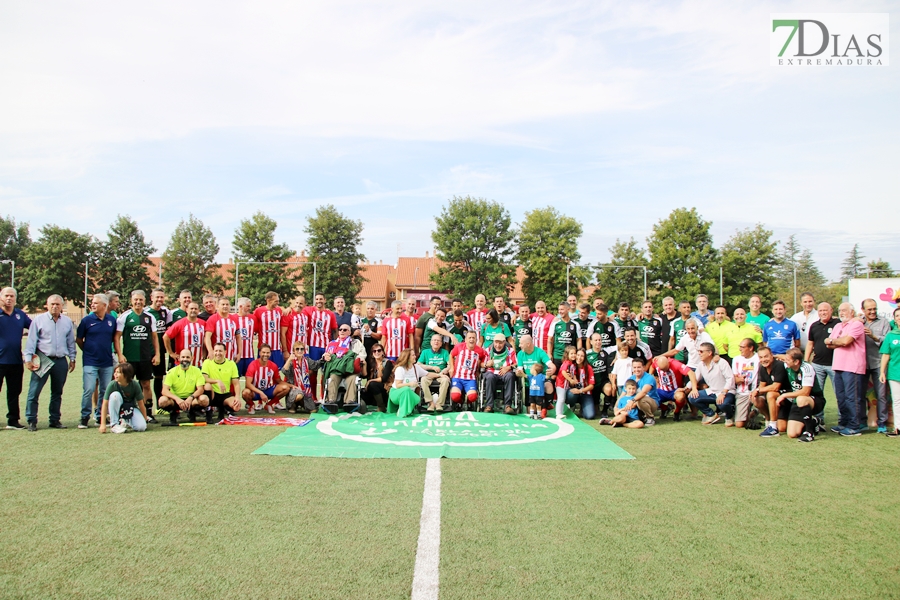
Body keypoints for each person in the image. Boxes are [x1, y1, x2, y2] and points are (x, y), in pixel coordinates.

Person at [23, 295, 76, 431]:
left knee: (57, 392)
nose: (55, 307)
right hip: (43, 359)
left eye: (58, 304)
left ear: (62, 306)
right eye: (52, 304)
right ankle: (31, 420)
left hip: (60, 361)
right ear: (47, 305)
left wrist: (72, 358)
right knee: (34, 391)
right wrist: (28, 359)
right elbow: (31, 341)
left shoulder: (67, 322)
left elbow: (70, 342)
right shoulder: (38, 321)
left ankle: (54, 419)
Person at [114, 290, 160, 414]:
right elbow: (117, 336)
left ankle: (148, 412)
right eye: (136, 300)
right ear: (131, 301)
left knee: (145, 384)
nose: (138, 302)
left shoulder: (149, 317)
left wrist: (157, 354)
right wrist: (120, 354)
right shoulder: (125, 316)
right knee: (126, 383)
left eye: (140, 300)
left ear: (145, 301)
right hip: (129, 358)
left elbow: (155, 337)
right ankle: (125, 410)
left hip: (145, 357)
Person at [826, 302, 867, 436]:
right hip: (838, 365)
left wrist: (833, 341)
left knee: (851, 397)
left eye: (845, 310)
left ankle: (855, 426)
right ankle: (844, 423)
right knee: (841, 397)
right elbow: (828, 344)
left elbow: (845, 341)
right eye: (840, 310)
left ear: (852, 312)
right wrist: (833, 341)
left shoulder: (857, 324)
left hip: (852, 366)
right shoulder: (838, 325)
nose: (842, 312)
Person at [76, 293, 117, 428]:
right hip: (90, 362)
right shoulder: (86, 320)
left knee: (105, 390)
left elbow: (113, 339)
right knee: (88, 389)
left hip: (106, 362)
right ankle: (84, 417)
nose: (92, 305)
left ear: (104, 306)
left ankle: (100, 415)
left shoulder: (111, 320)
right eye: (92, 302)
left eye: (95, 303)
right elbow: (79, 339)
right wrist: (88, 351)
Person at [778, 348, 826, 442]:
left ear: (796, 362)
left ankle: (809, 433)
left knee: (801, 398)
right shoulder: (787, 365)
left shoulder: (807, 368)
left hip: (814, 400)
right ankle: (814, 422)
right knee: (792, 434)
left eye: (787, 360)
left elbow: (805, 392)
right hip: (797, 401)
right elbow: (781, 358)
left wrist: (784, 395)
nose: (785, 361)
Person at [0, 287, 31, 430]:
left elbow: (35, 328)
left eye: (12, 296)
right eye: (6, 295)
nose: (9, 298)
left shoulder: (20, 315)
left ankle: (13, 421)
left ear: (15, 298)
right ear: (1, 297)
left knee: (14, 392)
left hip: (16, 361)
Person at [859, 298, 891, 433]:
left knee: (881, 394)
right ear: (863, 310)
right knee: (859, 394)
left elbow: (887, 341)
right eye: (869, 309)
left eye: (874, 309)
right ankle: (861, 422)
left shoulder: (884, 322)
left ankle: (882, 423)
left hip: (878, 363)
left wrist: (874, 336)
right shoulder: (859, 322)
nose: (872, 312)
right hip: (861, 364)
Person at [688, 343, 736, 426]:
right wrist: (688, 388)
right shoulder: (700, 364)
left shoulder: (722, 362)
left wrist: (723, 393)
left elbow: (730, 379)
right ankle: (711, 414)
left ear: (709, 353)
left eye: (701, 351)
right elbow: (695, 379)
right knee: (692, 397)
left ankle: (729, 416)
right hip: (712, 391)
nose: (699, 353)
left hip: (727, 392)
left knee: (722, 404)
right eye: (698, 351)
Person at [159, 348, 209, 425]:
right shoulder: (172, 372)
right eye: (183, 357)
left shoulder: (197, 371)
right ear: (179, 358)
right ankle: (173, 412)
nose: (185, 359)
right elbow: (164, 390)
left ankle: (192, 411)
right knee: (162, 401)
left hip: (191, 400)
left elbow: (200, 389)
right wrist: (177, 399)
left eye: (187, 357)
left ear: (192, 358)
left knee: (204, 399)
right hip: (175, 401)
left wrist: (190, 398)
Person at [321, 324, 364, 407]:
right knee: (333, 377)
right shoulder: (332, 343)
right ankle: (331, 401)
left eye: (345, 330)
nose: (342, 331)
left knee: (352, 378)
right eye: (340, 329)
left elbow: (362, 354)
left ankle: (350, 402)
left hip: (350, 369)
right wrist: (325, 357)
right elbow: (325, 355)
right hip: (336, 369)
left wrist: (353, 359)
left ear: (349, 332)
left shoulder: (356, 343)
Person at [754, 346, 792, 437]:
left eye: (766, 356)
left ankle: (773, 426)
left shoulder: (779, 365)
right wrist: (755, 392)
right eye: (761, 357)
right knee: (756, 398)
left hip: (790, 397)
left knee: (771, 394)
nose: (763, 359)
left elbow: (776, 387)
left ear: (772, 356)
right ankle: (769, 420)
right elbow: (762, 385)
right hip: (780, 400)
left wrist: (758, 390)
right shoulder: (762, 367)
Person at [242, 344, 291, 414]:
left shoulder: (273, 365)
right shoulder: (252, 365)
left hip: (268, 390)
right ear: (259, 353)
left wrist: (291, 386)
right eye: (263, 352)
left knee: (286, 388)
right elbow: (248, 384)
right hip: (255, 392)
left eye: (267, 353)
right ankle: (251, 405)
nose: (265, 354)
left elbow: (279, 381)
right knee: (245, 393)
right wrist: (260, 393)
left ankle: (269, 404)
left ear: (270, 354)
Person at [805, 302, 839, 402]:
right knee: (817, 392)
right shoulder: (814, 326)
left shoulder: (838, 323)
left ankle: (843, 416)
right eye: (820, 310)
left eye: (825, 310)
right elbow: (810, 344)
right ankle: (818, 417)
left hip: (835, 364)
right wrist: (806, 361)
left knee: (839, 392)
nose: (823, 313)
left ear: (831, 311)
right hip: (817, 364)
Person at [98, 363, 146, 434]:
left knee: (141, 427)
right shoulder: (112, 384)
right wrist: (103, 424)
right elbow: (105, 404)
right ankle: (114, 424)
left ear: (126, 375)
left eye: (118, 372)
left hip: (130, 408)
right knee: (115, 395)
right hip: (117, 407)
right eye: (115, 372)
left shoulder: (135, 385)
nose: (115, 374)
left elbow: (141, 404)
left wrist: (144, 419)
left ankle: (125, 421)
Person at [145, 289, 170, 418]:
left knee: (159, 377)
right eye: (157, 297)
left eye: (161, 297)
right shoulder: (146, 312)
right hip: (147, 352)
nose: (159, 300)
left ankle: (160, 406)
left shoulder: (166, 312)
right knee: (145, 380)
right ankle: (145, 407)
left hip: (160, 351)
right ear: (151, 297)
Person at [201, 342, 241, 423]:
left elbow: (236, 383)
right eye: (216, 351)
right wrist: (217, 381)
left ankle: (223, 409)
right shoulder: (207, 362)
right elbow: (204, 378)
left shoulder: (231, 364)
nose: (218, 353)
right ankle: (209, 412)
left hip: (225, 394)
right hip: (213, 394)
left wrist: (237, 397)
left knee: (236, 407)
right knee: (207, 386)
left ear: (225, 352)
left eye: (220, 351)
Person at [448, 331, 488, 411]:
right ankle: (460, 401)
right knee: (455, 396)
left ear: (476, 340)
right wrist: (452, 368)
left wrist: (480, 366)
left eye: (473, 338)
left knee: (473, 397)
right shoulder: (459, 347)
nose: (471, 340)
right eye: (469, 338)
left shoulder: (480, 350)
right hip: (458, 377)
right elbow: (451, 355)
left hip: (470, 378)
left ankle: (469, 403)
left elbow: (485, 357)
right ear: (465, 339)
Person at [650, 355, 697, 422]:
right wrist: (651, 376)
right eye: (662, 369)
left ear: (668, 363)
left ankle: (676, 412)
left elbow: (691, 373)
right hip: (662, 390)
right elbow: (652, 366)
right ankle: (665, 408)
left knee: (681, 397)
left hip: (675, 390)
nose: (664, 371)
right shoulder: (656, 362)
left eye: (665, 368)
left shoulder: (676, 364)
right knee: (649, 396)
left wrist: (694, 388)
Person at [514, 334, 556, 406]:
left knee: (549, 385)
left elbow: (552, 365)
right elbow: (519, 370)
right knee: (531, 411)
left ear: (528, 344)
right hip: (528, 382)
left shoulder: (540, 352)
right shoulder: (520, 354)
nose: (519, 346)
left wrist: (552, 370)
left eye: (521, 343)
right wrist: (518, 373)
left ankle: (546, 405)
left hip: (540, 380)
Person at [281, 341, 323, 414]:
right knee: (299, 395)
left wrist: (324, 359)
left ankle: (301, 403)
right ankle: (293, 405)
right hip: (294, 388)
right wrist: (289, 359)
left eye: (301, 349)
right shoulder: (291, 361)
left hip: (305, 390)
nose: (299, 351)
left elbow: (316, 365)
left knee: (313, 410)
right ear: (293, 351)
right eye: (297, 349)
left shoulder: (307, 360)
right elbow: (284, 371)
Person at [878, 306, 900, 437]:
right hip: (894, 373)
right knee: (897, 401)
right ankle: (898, 427)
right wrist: (882, 372)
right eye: (897, 316)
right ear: (895, 319)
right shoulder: (891, 335)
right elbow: (886, 354)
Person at [482, 333, 518, 414]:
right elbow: (481, 364)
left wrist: (509, 367)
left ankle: (507, 406)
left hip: (505, 373)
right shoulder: (488, 350)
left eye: (500, 343)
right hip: (492, 372)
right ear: (493, 342)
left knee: (510, 375)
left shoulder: (510, 351)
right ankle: (489, 406)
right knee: (489, 377)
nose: (498, 345)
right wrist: (487, 364)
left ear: (504, 342)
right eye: (496, 342)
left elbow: (516, 363)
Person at [163, 302, 206, 368]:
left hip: (199, 363)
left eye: (195, 309)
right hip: (182, 363)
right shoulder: (180, 323)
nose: (193, 310)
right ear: (187, 310)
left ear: (198, 311)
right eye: (191, 308)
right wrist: (171, 353)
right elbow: (166, 336)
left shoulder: (203, 323)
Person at [731, 338, 760, 428]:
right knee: (739, 424)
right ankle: (750, 414)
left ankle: (757, 411)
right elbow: (733, 378)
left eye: (742, 347)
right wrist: (738, 380)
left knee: (760, 400)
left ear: (751, 348)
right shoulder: (736, 359)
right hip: (742, 392)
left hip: (757, 391)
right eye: (740, 347)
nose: (740, 349)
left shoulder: (759, 358)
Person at [417, 333, 451, 412]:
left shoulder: (445, 352)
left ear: (441, 343)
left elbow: (450, 365)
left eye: (438, 340)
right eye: (434, 340)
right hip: (429, 374)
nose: (436, 342)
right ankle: (431, 403)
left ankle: (439, 404)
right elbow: (418, 364)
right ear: (431, 342)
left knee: (445, 381)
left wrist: (443, 372)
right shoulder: (425, 352)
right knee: (423, 380)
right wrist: (432, 367)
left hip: (441, 375)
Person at [585, 333, 614, 419]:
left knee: (609, 389)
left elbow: (620, 347)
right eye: (596, 340)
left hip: (603, 382)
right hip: (591, 384)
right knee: (592, 413)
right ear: (591, 342)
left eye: (600, 340)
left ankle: (605, 411)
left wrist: (616, 357)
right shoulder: (587, 354)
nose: (598, 342)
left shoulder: (606, 351)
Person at [205, 296, 241, 363]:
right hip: (217, 356)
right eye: (223, 304)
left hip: (231, 357)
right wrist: (210, 351)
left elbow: (238, 337)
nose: (225, 306)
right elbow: (207, 337)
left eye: (227, 304)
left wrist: (239, 353)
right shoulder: (212, 319)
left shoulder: (234, 319)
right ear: (218, 306)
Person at [254, 292, 285, 368]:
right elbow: (255, 328)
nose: (277, 303)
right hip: (263, 349)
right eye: (276, 301)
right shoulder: (258, 311)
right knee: (262, 371)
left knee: (276, 372)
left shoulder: (279, 311)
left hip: (276, 349)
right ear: (268, 300)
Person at [386, 349, 421, 417]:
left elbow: (427, 374)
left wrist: (440, 374)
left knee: (417, 398)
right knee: (406, 389)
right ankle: (402, 413)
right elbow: (398, 385)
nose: (415, 356)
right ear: (407, 357)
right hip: (396, 393)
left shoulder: (415, 367)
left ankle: (405, 409)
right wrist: (409, 384)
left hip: (410, 393)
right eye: (413, 355)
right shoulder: (400, 369)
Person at [304, 293, 337, 362]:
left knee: (325, 368)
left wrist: (335, 344)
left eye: (321, 299)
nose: (319, 301)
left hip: (326, 346)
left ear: (325, 300)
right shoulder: (309, 310)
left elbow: (335, 330)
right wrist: (289, 308)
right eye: (317, 299)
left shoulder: (330, 314)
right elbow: (298, 309)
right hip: (313, 346)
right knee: (313, 368)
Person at [361, 343, 394, 413]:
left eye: (379, 350)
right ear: (372, 353)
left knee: (372, 384)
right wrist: (365, 365)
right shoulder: (372, 363)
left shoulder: (388, 363)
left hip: (386, 388)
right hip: (376, 390)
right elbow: (365, 376)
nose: (377, 352)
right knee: (362, 392)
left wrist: (370, 381)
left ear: (382, 352)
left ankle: (381, 407)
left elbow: (384, 378)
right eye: (374, 351)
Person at [548, 302, 581, 369]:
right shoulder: (555, 324)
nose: (560, 311)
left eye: (562, 309)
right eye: (559, 310)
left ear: (568, 309)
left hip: (570, 357)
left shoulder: (575, 324)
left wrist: (578, 353)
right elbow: (550, 339)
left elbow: (579, 340)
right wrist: (549, 353)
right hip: (557, 356)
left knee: (570, 376)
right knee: (555, 377)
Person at [233, 297, 257, 377]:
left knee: (250, 378)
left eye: (250, 306)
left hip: (249, 356)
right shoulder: (232, 318)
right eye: (247, 306)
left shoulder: (253, 318)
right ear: (240, 306)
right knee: (235, 378)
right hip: (236, 356)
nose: (249, 308)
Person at [553, 345, 578, 419]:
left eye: (574, 353)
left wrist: (575, 380)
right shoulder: (566, 363)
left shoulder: (572, 364)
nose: (574, 355)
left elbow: (573, 373)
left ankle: (561, 412)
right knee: (561, 399)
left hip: (565, 384)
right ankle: (558, 413)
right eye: (571, 353)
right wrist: (570, 380)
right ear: (567, 355)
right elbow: (563, 372)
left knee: (563, 399)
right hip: (561, 384)